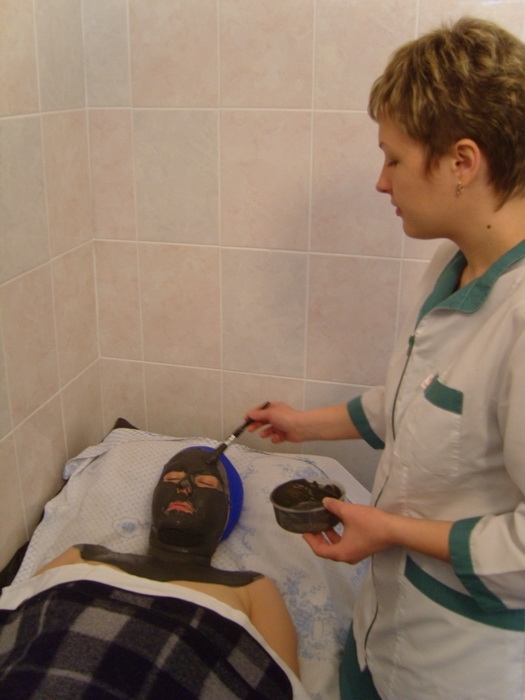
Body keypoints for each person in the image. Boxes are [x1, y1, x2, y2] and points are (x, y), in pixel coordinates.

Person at [246, 16, 525, 700]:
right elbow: (419, 402)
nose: (380, 182)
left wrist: (388, 530)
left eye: (393, 159)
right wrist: (302, 424)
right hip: (380, 629)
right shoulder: (449, 266)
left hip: (460, 662)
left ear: (461, 162)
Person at [0, 447, 303, 699]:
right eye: (172, 479)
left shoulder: (251, 587)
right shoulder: (82, 555)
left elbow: (279, 685)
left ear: (227, 511)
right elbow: (17, 617)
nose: (184, 487)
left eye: (206, 483)